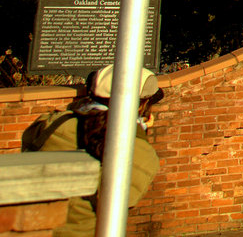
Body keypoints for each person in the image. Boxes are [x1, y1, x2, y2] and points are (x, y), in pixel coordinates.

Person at [22, 65, 162, 237]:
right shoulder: (131, 145)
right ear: (141, 104)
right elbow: (123, 199)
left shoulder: (53, 122)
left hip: (29, 224)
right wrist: (137, 133)